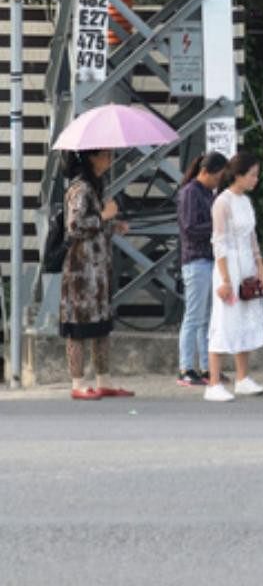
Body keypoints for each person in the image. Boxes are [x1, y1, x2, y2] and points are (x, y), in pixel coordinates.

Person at [59, 149, 134, 401]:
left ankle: (104, 379)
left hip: (97, 270)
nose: (110, 161)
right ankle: (78, 383)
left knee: (101, 325)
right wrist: (105, 215)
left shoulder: (94, 186)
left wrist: (112, 226)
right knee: (77, 326)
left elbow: (94, 227)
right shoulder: (80, 188)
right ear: (92, 158)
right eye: (107, 156)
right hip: (81, 271)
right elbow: (75, 226)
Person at [205, 152, 263, 402]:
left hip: (246, 264)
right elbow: (218, 241)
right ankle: (213, 382)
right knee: (223, 320)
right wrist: (225, 279)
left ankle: (242, 378)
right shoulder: (223, 202)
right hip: (228, 265)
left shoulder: (245, 201)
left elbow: (252, 237)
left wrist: (260, 266)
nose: (256, 179)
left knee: (245, 318)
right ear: (239, 175)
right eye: (252, 174)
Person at [175, 151, 227, 387]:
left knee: (206, 317)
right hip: (196, 259)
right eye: (217, 177)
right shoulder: (190, 193)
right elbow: (189, 228)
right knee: (194, 316)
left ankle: (207, 366)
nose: (218, 182)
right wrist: (217, 227)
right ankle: (185, 366)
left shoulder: (207, 192)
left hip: (207, 258)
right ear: (205, 172)